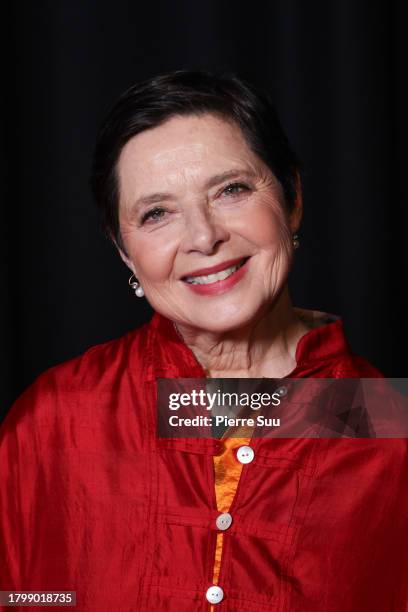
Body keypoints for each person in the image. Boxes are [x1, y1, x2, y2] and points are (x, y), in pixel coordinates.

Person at [1, 70, 407, 611]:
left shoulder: (388, 426)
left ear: (292, 200)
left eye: (232, 189)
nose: (203, 236)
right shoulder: (51, 422)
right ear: (124, 251)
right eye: (157, 213)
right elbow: (28, 599)